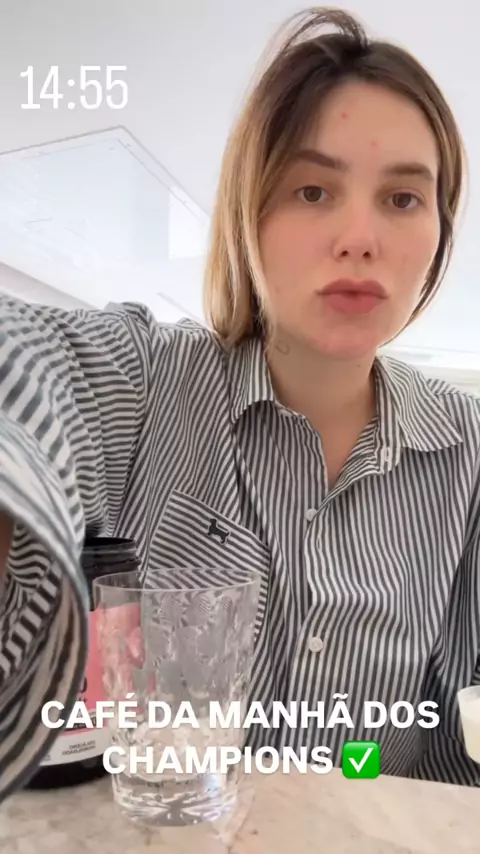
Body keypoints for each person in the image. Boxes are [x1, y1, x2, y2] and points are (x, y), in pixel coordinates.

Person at [0, 6, 479, 801]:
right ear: (247, 212)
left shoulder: (469, 451)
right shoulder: (146, 379)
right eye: (312, 190)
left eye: (402, 199)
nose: (360, 236)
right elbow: (26, 355)